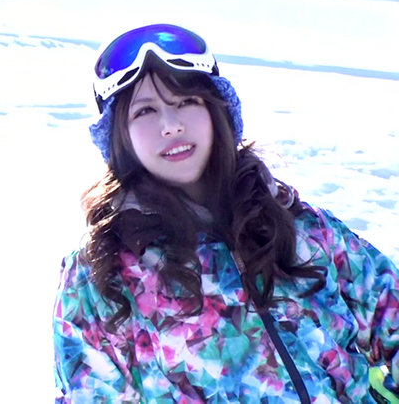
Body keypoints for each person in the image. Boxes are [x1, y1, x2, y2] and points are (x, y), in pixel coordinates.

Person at [52, 24, 399, 403]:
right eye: (145, 110)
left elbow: (390, 308)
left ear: (216, 111)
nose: (171, 125)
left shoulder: (300, 224)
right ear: (120, 136)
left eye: (186, 101)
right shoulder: (100, 274)